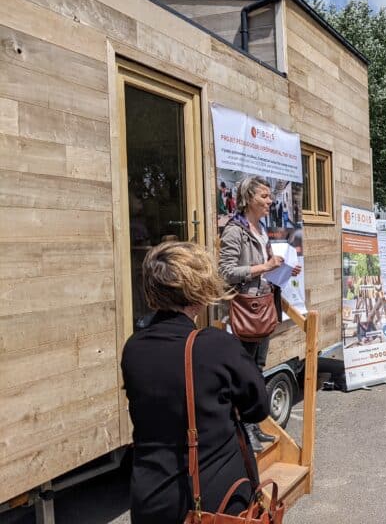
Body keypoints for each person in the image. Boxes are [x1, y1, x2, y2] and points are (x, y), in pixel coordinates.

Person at [121, 241, 270, 524]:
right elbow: (257, 409)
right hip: (213, 503)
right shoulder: (217, 346)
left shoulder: (134, 347)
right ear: (199, 290)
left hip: (150, 498)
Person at [219, 176, 300, 450]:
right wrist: (265, 267)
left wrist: (283, 268)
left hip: (264, 306)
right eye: (264, 196)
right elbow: (226, 273)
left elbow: (265, 269)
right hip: (247, 310)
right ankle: (243, 432)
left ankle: (254, 426)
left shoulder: (260, 228)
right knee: (244, 373)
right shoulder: (235, 231)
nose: (270, 201)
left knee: (257, 370)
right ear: (249, 198)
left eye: (269, 196)